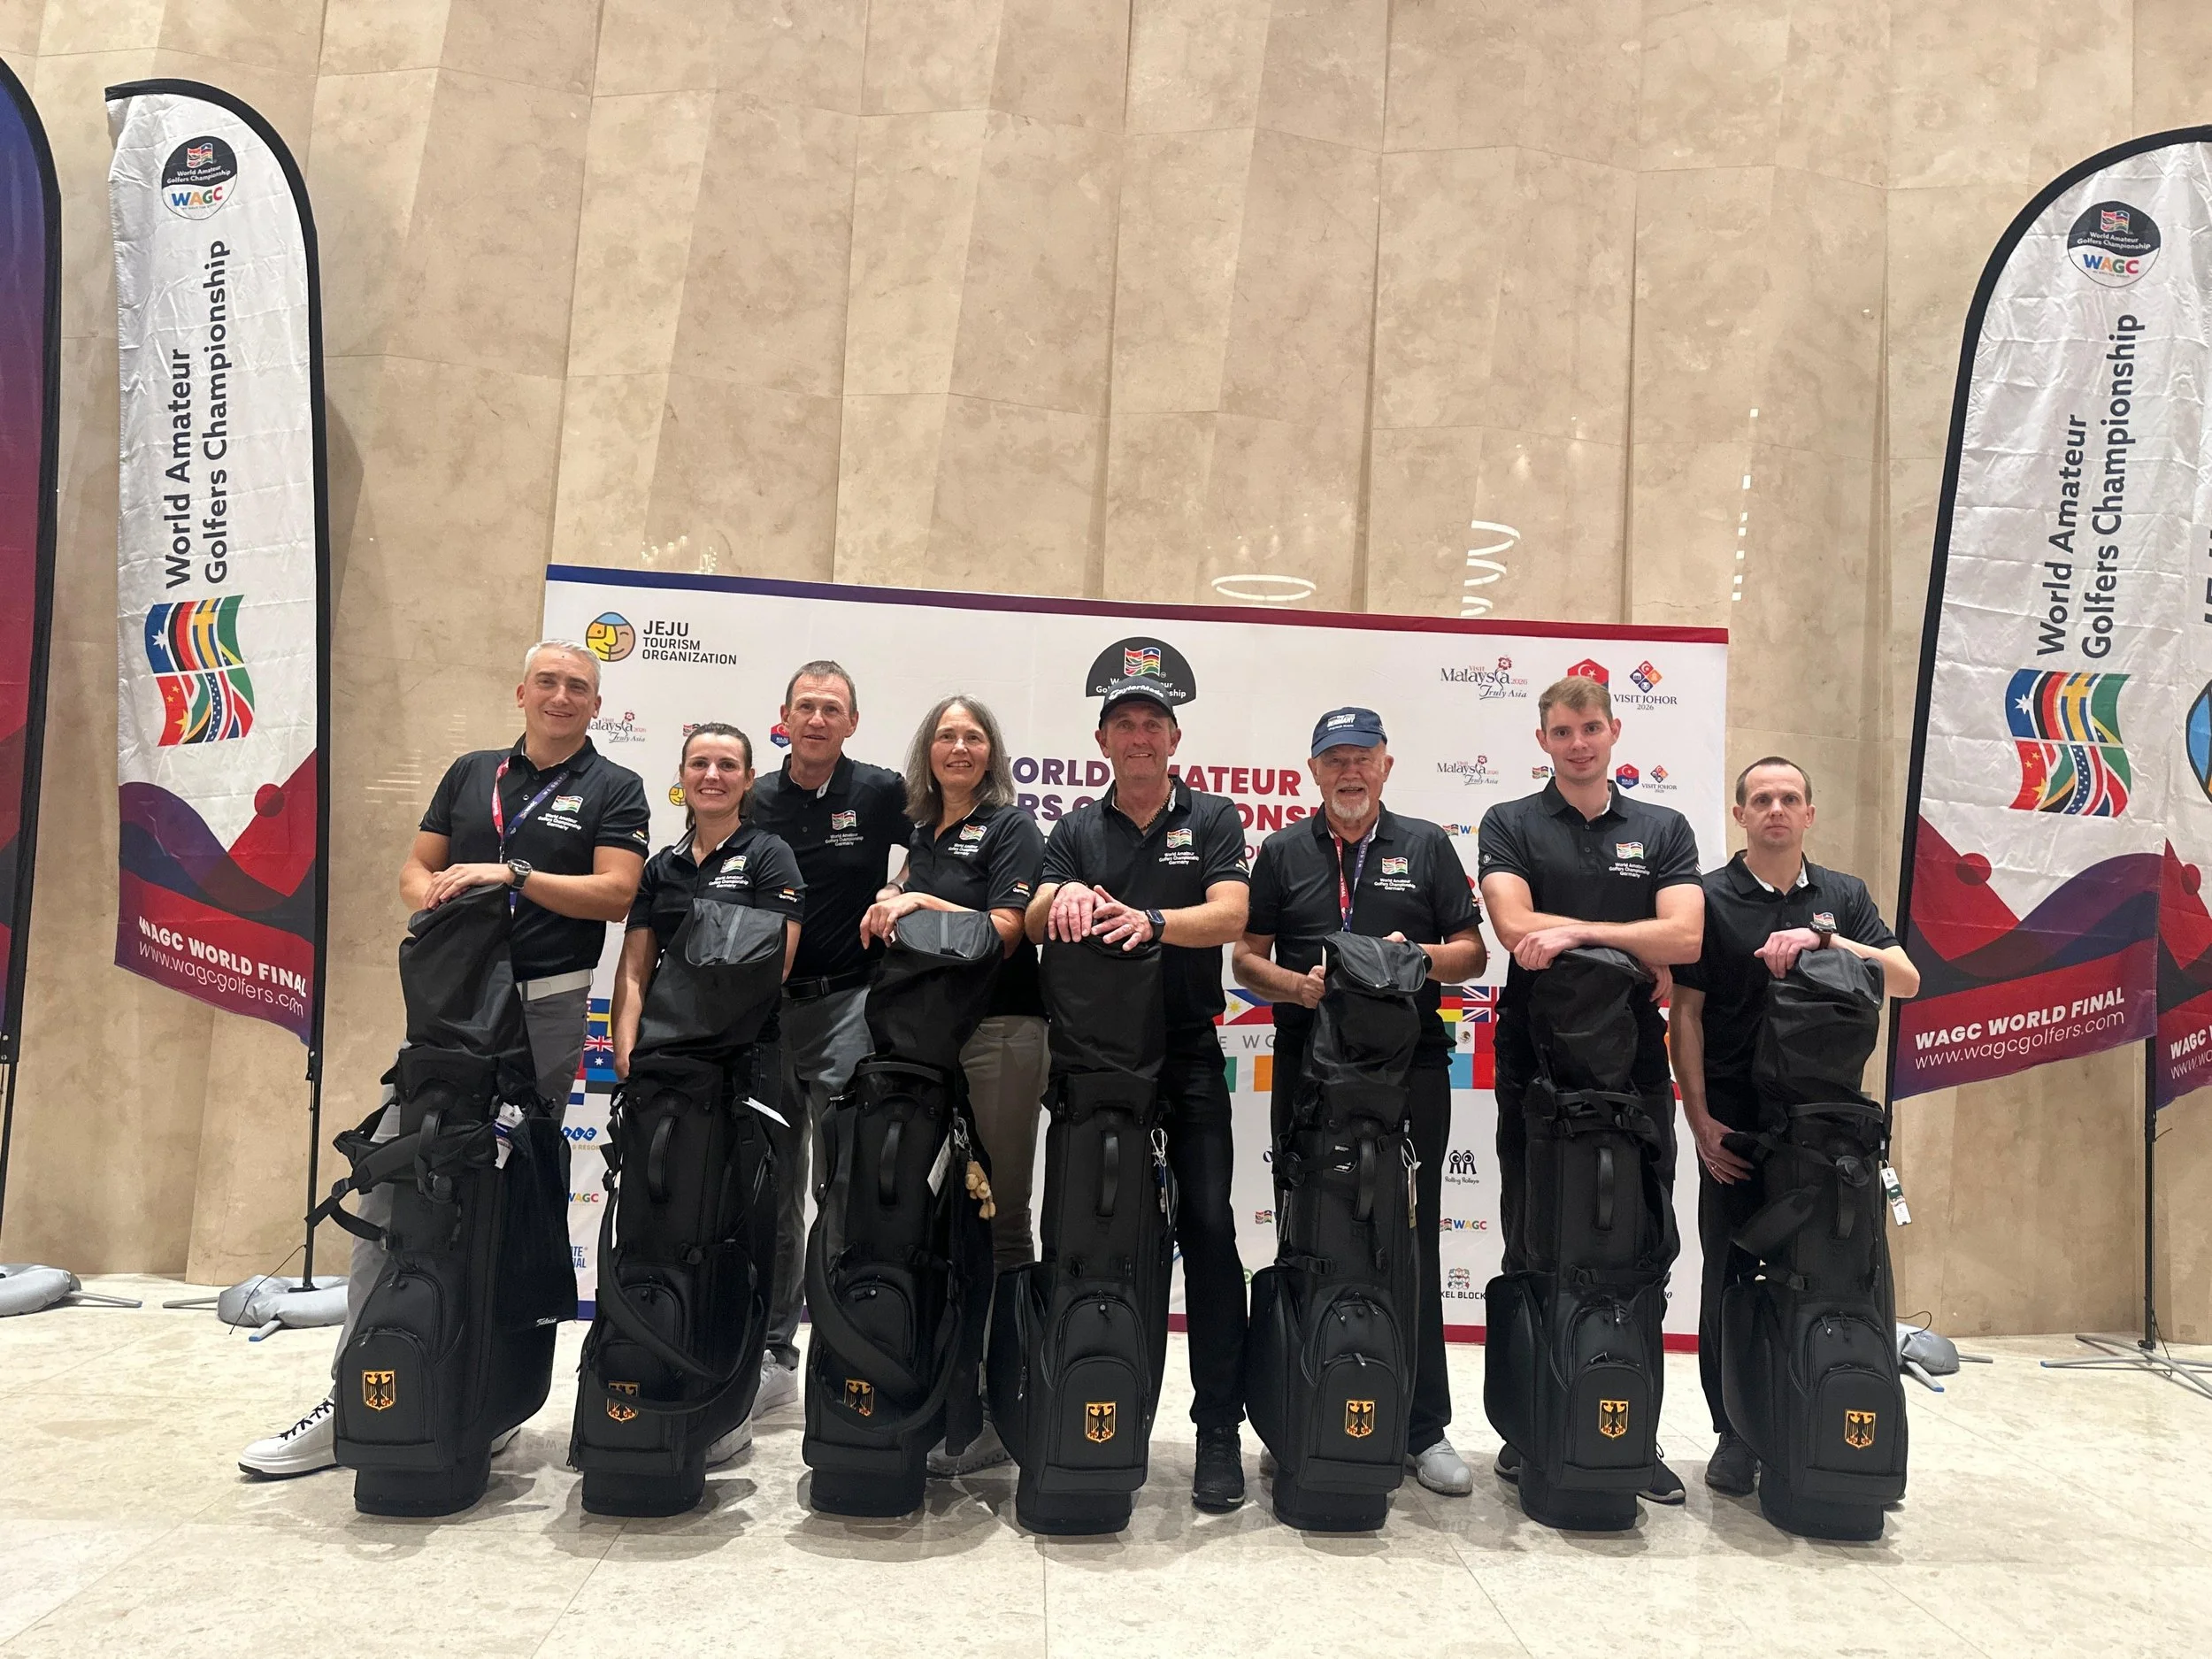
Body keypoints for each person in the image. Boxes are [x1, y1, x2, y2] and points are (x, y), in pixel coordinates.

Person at [240, 640, 650, 1478]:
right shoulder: (471, 773)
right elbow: (414, 866)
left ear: (596, 704)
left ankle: (485, 1390)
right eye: (548, 682)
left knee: (506, 1197)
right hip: (451, 1000)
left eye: (578, 686)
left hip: (544, 1007)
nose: (562, 696)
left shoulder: (614, 786)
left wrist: (513, 874)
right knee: (397, 1179)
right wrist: (430, 891)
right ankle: (357, 1391)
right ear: (521, 691)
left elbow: (616, 894)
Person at [1232, 707, 1486, 1496]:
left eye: (1362, 757)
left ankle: (1422, 1426)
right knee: (1303, 1233)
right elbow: (1245, 960)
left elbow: (1473, 951)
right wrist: (1296, 984)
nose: (1349, 771)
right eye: (1334, 758)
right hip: (1310, 1068)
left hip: (1409, 1072)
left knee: (1411, 1238)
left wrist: (1418, 959)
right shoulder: (1281, 850)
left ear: (1386, 765)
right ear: (1313, 771)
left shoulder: (1427, 844)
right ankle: (1295, 1409)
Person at [1025, 671, 1253, 1511]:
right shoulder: (1077, 826)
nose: (1139, 736)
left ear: (1174, 740)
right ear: (1103, 743)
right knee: (1088, 1235)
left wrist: (1153, 920)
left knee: (1210, 1230)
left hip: (1187, 1052)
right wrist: (1065, 893)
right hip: (1095, 1061)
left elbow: (1231, 914)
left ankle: (1218, 1429)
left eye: (1153, 723)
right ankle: (1088, 1407)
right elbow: (1035, 913)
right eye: (1124, 724)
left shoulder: (1214, 817)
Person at [1476, 673, 1704, 1505]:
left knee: (1640, 1240)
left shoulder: (1663, 827)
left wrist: (1576, 931)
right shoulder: (1509, 822)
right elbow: (1512, 925)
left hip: (1635, 1060)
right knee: (1532, 1235)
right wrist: (1630, 946)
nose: (1578, 743)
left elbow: (1687, 936)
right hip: (1536, 1060)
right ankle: (1529, 1426)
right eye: (1563, 731)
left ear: (1615, 733)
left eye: (1591, 728)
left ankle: (1631, 1433)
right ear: (1543, 740)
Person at [1668, 757, 1917, 1496]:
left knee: (1828, 1272)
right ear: (1740, 814)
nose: (1775, 808)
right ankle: (1734, 1432)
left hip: (1823, 1127)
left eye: (1789, 798)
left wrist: (1827, 942)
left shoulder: (1844, 896)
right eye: (1761, 798)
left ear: (1809, 813)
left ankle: (1810, 1414)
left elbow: (1905, 978)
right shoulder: (1708, 897)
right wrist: (1700, 1120)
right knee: (1731, 1274)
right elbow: (1686, 1014)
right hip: (1738, 1124)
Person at [860, 694, 1048, 1478]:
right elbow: (905, 914)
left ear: (991, 751)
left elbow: (1005, 930)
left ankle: (1004, 1406)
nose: (959, 747)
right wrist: (889, 900)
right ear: (928, 751)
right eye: (946, 735)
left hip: (1001, 1031)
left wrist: (917, 903)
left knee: (1000, 1218)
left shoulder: (1010, 827)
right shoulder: (919, 831)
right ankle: (947, 1392)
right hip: (927, 1041)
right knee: (936, 1220)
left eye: (973, 736)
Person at [611, 721, 805, 1458]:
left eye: (728, 764)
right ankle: (665, 1337)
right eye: (700, 763)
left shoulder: (769, 855)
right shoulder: (660, 867)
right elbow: (636, 967)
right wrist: (628, 1044)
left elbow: (773, 961)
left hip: (748, 1058)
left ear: (748, 779)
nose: (713, 774)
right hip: (668, 1068)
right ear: (683, 776)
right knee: (670, 1210)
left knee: (756, 1207)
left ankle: (752, 1363)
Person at [744, 661, 910, 1415]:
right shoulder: (753, 795)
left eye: (831, 708)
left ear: (852, 722)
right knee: (774, 1183)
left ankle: (846, 1338)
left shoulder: (878, 791)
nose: (816, 719)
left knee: (841, 1183)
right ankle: (775, 1350)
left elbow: (936, 843)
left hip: (849, 1005)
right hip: (765, 1014)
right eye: (805, 707)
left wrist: (898, 887)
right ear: (784, 717)